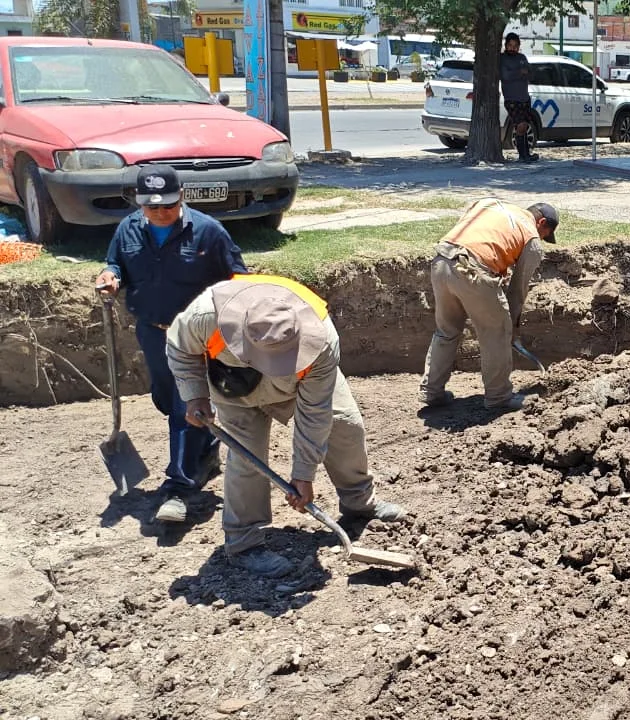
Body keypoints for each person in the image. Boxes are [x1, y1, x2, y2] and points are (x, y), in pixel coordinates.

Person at [167, 274, 408, 577]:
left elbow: (315, 412)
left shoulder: (321, 339)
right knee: (246, 459)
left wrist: (303, 475)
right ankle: (243, 543)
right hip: (234, 389)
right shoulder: (205, 316)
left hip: (301, 383)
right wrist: (194, 395)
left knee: (344, 423)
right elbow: (179, 348)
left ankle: (359, 502)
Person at [95, 164, 245, 525]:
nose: (160, 212)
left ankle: (178, 487)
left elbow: (239, 278)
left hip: (195, 338)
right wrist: (110, 276)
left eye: (168, 205)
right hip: (152, 330)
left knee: (184, 405)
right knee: (166, 399)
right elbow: (115, 262)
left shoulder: (209, 232)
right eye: (152, 206)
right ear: (139, 203)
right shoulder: (128, 228)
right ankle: (205, 454)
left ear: (182, 197)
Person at [419, 198, 558, 412]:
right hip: (472, 271)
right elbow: (517, 290)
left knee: (447, 331)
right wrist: (511, 327)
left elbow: (473, 230)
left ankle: (431, 391)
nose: (541, 238)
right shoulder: (531, 236)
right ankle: (499, 398)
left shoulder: (491, 204)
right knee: (496, 332)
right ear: (541, 224)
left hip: (442, 260)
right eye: (545, 235)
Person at [501, 32, 539, 163]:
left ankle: (526, 154)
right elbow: (505, 76)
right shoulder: (502, 58)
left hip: (524, 98)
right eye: (510, 45)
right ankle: (522, 155)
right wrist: (519, 72)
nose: (513, 48)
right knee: (520, 125)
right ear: (505, 45)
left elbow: (531, 74)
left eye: (515, 46)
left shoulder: (522, 57)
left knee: (524, 126)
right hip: (511, 99)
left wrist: (525, 73)